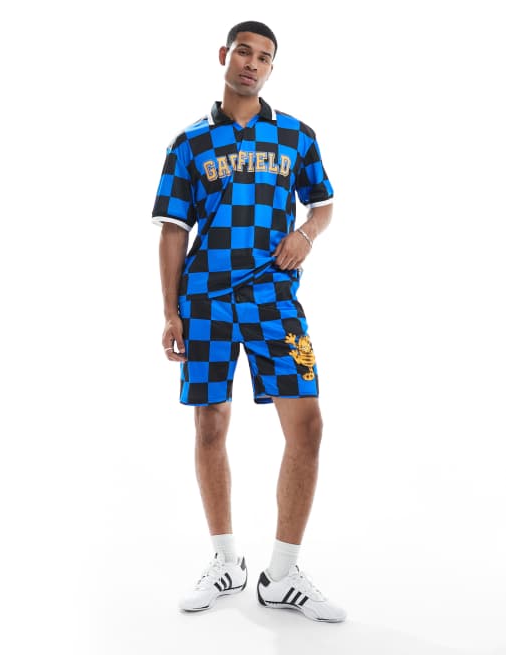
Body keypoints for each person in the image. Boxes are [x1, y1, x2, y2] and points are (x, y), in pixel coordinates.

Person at [151, 20, 346, 623]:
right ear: (225, 55)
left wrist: (306, 235)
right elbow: (173, 230)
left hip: (276, 304)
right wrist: (170, 311)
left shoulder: (296, 136)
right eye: (244, 51)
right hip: (205, 303)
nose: (252, 63)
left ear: (271, 68)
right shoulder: (189, 143)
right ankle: (226, 561)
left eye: (264, 57)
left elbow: (324, 203)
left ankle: (281, 576)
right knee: (210, 425)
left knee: (308, 425)